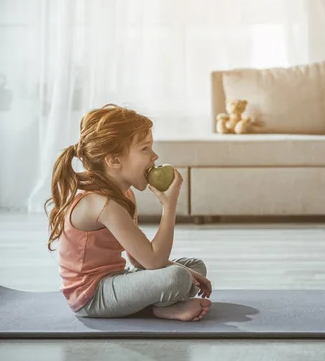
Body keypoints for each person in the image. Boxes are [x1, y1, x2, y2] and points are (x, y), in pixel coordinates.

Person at [45, 104, 212, 321]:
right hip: (92, 298)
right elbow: (152, 261)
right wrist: (169, 207)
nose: (155, 156)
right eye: (145, 149)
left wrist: (188, 273)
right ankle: (159, 309)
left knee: (193, 267)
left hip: (117, 279)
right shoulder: (103, 204)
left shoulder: (123, 195)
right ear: (114, 160)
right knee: (177, 277)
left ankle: (162, 303)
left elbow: (137, 259)